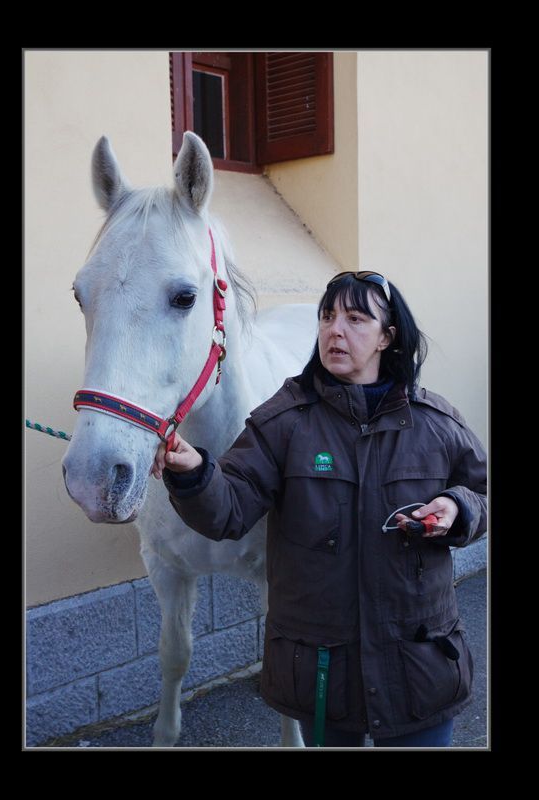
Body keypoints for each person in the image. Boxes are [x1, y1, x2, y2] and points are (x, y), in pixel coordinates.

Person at [152, 271, 487, 748]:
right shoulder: (282, 423)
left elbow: (483, 493)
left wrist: (458, 507)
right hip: (324, 671)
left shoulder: (435, 423)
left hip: (420, 665)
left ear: (387, 337)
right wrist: (192, 473)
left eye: (355, 318)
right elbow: (227, 510)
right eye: (327, 316)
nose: (335, 330)